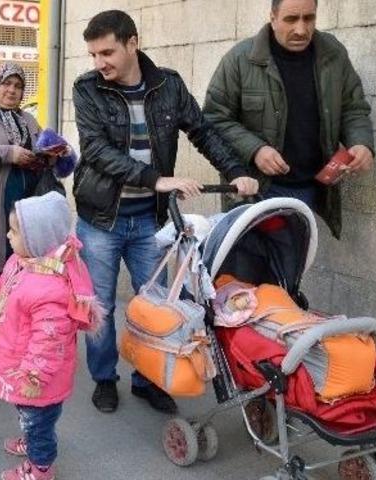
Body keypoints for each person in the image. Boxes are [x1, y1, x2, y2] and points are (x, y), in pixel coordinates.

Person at [73, 10, 258, 414]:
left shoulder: (168, 86)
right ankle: (105, 378)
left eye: (107, 52)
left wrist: (236, 171)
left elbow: (203, 131)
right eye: (93, 54)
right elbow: (96, 151)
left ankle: (148, 377)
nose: (99, 62)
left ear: (132, 43)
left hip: (147, 221)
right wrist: (156, 179)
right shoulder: (87, 88)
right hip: (100, 220)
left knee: (157, 303)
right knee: (99, 306)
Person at [0, 192, 101, 480]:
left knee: (39, 424)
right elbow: (1, 289)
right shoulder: (21, 262)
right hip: (22, 369)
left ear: (37, 240)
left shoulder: (51, 289)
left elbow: (49, 341)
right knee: (28, 415)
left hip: (37, 378)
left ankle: (40, 467)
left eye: (14, 231)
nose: (7, 235)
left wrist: (34, 377)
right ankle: (30, 440)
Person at [203, 0, 374, 239]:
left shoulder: (333, 55)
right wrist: (256, 150)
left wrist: (361, 143)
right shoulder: (240, 60)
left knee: (290, 269)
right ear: (272, 17)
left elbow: (353, 108)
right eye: (291, 19)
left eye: (309, 18)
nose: (301, 30)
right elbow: (213, 118)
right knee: (251, 269)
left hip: (311, 188)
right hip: (259, 189)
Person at [0, 63, 42, 270]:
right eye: (6, 83)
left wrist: (53, 154)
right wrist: (9, 153)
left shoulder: (28, 119)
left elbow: (42, 146)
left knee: (22, 258)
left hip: (27, 199)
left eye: (18, 85)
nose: (12, 90)